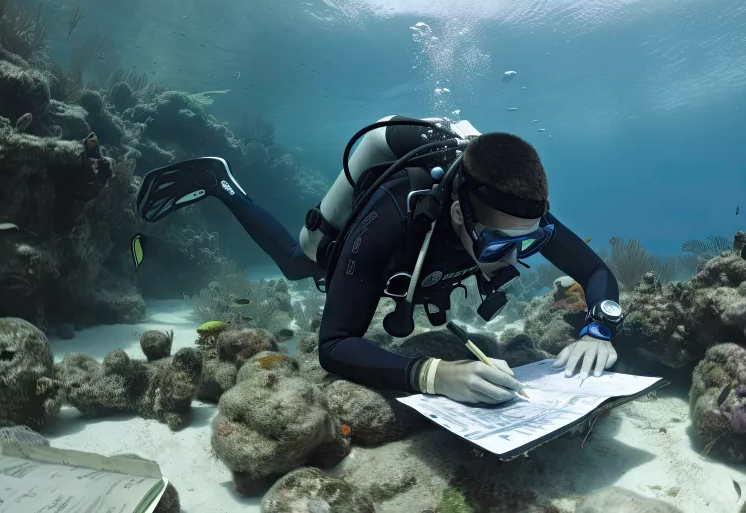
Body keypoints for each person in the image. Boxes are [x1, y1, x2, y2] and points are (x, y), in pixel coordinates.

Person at [135, 116, 624, 405]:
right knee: (296, 265)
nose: (512, 257)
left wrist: (599, 327)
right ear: (458, 212)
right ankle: (222, 183)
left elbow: (597, 272)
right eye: (497, 244)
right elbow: (333, 345)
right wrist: (435, 376)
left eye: (531, 240)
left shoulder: (515, 213)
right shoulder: (393, 215)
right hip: (376, 230)